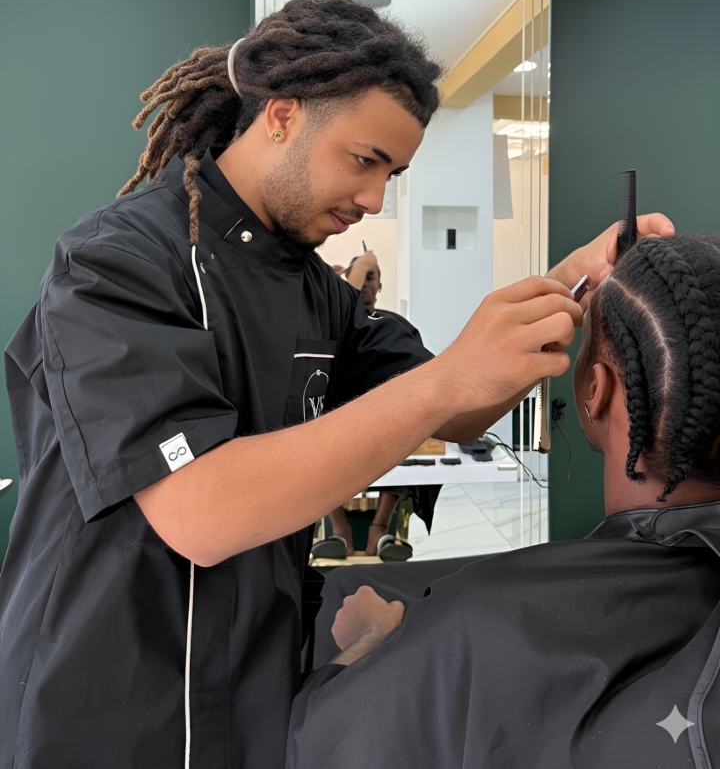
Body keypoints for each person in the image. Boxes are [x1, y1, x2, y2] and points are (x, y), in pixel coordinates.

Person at [0, 0, 670, 769]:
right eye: (365, 161)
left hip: (253, 687)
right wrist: (446, 382)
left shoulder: (315, 288)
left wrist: (570, 284)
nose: (375, 200)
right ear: (281, 114)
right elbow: (200, 512)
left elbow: (449, 410)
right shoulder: (116, 264)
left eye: (395, 173)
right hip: (105, 703)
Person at [288, 232, 720, 769]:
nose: (373, 199)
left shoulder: (467, 627)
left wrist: (370, 645)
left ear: (595, 391)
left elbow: (316, 744)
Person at [324, 250, 434, 558]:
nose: (365, 285)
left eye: (371, 277)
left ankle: (381, 527)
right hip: (337, 424)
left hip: (386, 425)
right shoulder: (332, 327)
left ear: (381, 284)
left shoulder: (395, 326)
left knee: (400, 435)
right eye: (360, 277)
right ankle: (339, 530)